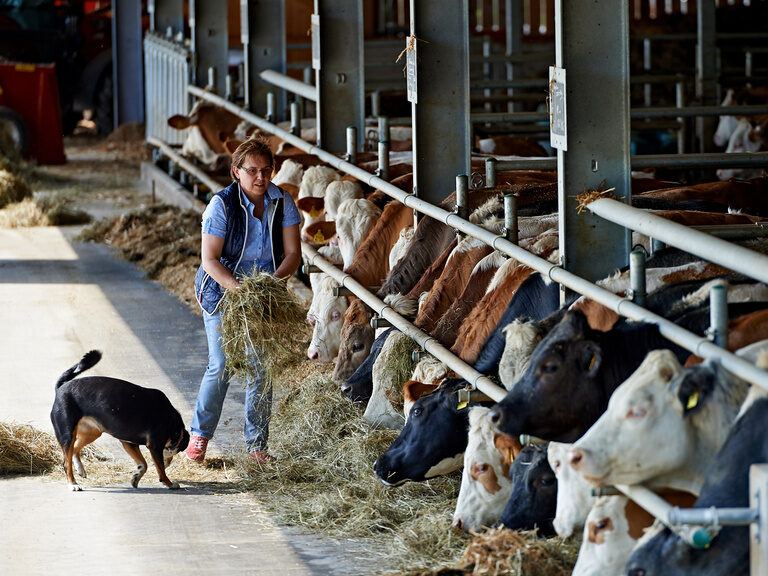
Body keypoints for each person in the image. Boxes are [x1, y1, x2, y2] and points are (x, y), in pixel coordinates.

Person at [187, 136, 302, 464]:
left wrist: (270, 285)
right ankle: (200, 436)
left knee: (260, 366)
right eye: (252, 170)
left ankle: (256, 446)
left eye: (266, 170)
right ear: (236, 171)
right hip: (222, 290)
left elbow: (293, 253)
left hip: (264, 290)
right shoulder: (221, 204)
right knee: (221, 364)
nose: (260, 178)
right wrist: (241, 291)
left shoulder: (283, 201)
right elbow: (210, 259)